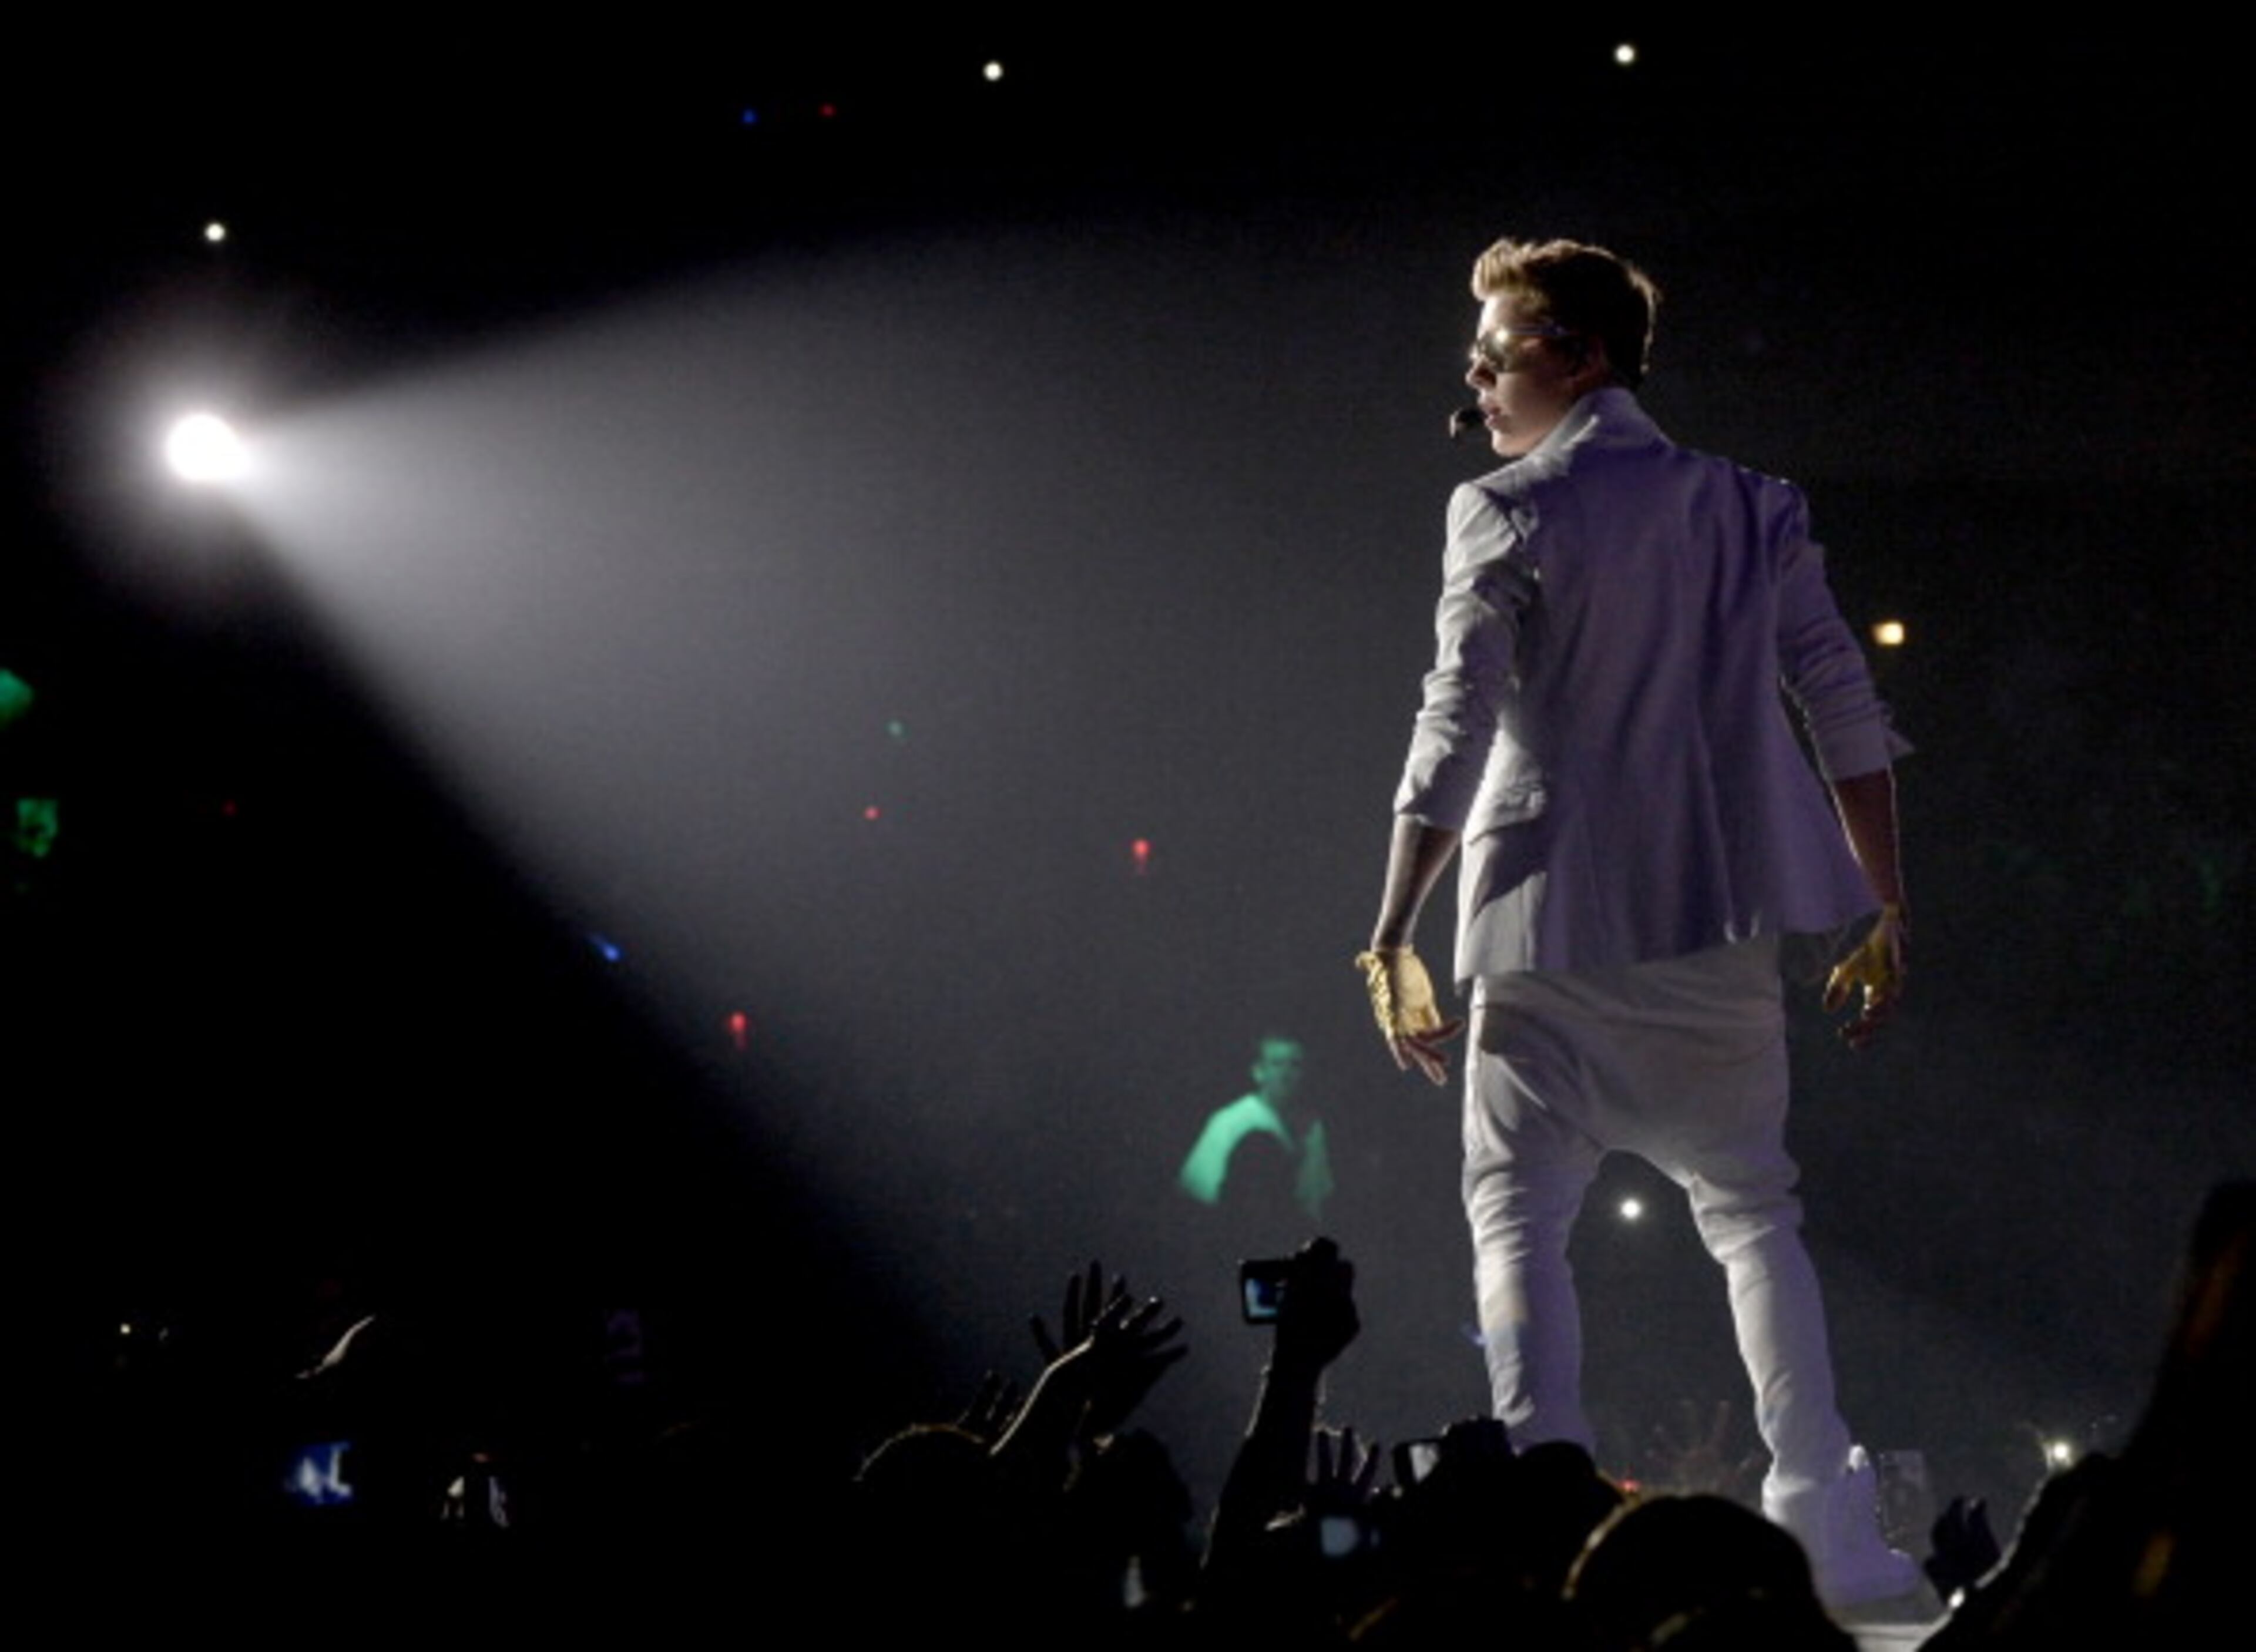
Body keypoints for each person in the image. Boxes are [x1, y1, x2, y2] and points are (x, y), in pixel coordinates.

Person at [1355, 237, 1918, 1607]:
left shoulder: (1499, 508)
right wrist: (1880, 901)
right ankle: (1823, 1529)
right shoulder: (1748, 503)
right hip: (1718, 921)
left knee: (1514, 1216)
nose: (1473, 377)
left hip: (1538, 928)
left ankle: (1545, 1509)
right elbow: (1838, 700)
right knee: (1753, 1217)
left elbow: (1455, 718)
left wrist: (1391, 925)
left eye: (1491, 347)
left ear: (1577, 351)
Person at [1178, 1036, 1334, 1227]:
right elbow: (1197, 1195)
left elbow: (1315, 1199)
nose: (1285, 1074)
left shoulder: (1312, 1126)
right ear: (1258, 1072)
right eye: (1276, 1064)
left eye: (1295, 1065)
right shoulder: (1230, 1121)